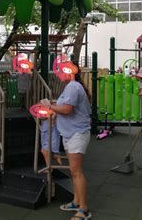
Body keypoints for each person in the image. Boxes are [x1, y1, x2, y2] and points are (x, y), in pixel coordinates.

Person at [41, 66, 92, 220]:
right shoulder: (70, 87)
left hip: (77, 133)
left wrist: (49, 106)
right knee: (73, 170)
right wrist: (52, 104)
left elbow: (67, 109)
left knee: (77, 172)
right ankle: (76, 201)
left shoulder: (73, 87)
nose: (59, 74)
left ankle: (84, 209)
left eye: (61, 71)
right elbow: (63, 105)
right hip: (70, 132)